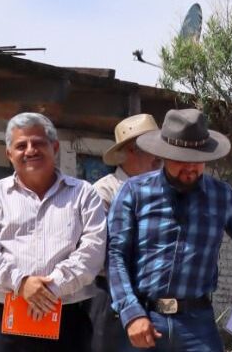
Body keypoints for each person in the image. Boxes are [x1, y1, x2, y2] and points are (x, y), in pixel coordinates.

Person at [107, 109, 232, 352]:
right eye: (181, 159)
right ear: (164, 155)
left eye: (197, 160)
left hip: (198, 325)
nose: (190, 167)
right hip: (145, 320)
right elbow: (115, 255)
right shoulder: (134, 192)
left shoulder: (221, 196)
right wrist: (131, 313)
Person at [0, 113, 106, 351]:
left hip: (68, 321)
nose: (30, 150)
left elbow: (93, 251)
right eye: (21, 145)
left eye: (38, 143)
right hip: (3, 319)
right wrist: (21, 283)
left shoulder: (84, 194)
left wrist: (49, 289)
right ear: (9, 154)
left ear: (55, 148)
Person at [89, 114, 162, 352]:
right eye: (152, 148)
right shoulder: (104, 192)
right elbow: (102, 253)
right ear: (132, 151)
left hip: (154, 297)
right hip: (111, 295)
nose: (159, 157)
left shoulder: (163, 191)